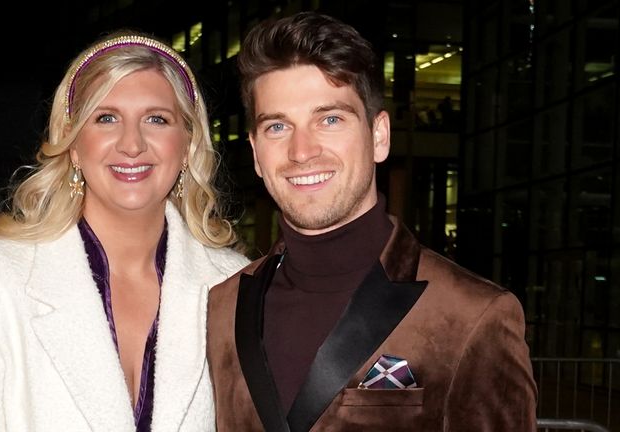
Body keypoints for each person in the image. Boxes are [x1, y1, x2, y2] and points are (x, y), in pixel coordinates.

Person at [207, 12, 537, 432]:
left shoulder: (473, 315)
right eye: (277, 126)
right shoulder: (223, 304)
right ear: (255, 152)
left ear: (378, 135)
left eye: (330, 119)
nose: (302, 150)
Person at [0, 31, 249, 432]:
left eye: (156, 119)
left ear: (188, 145)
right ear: (73, 145)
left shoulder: (235, 284)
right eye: (106, 118)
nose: (132, 144)